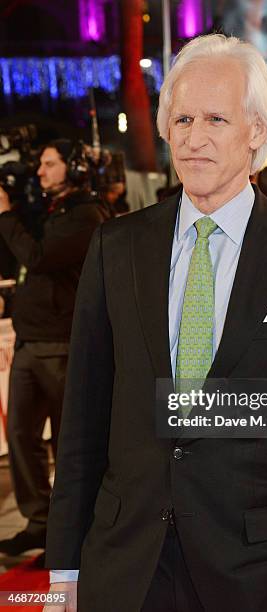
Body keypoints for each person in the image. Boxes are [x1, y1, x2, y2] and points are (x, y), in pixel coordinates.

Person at [45, 35, 267, 612]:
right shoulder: (115, 246)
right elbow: (83, 420)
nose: (194, 137)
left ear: (256, 131)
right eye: (182, 117)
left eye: (216, 118)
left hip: (264, 575)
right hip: (125, 568)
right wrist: (64, 571)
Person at [0, 140, 106, 556]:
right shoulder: (45, 212)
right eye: (39, 165)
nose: (40, 173)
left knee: (70, 446)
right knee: (21, 435)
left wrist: (6, 215)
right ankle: (39, 521)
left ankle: (72, 531)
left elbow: (38, 256)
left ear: (74, 167)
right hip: (29, 342)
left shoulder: (86, 214)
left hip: (63, 344)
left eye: (49, 164)